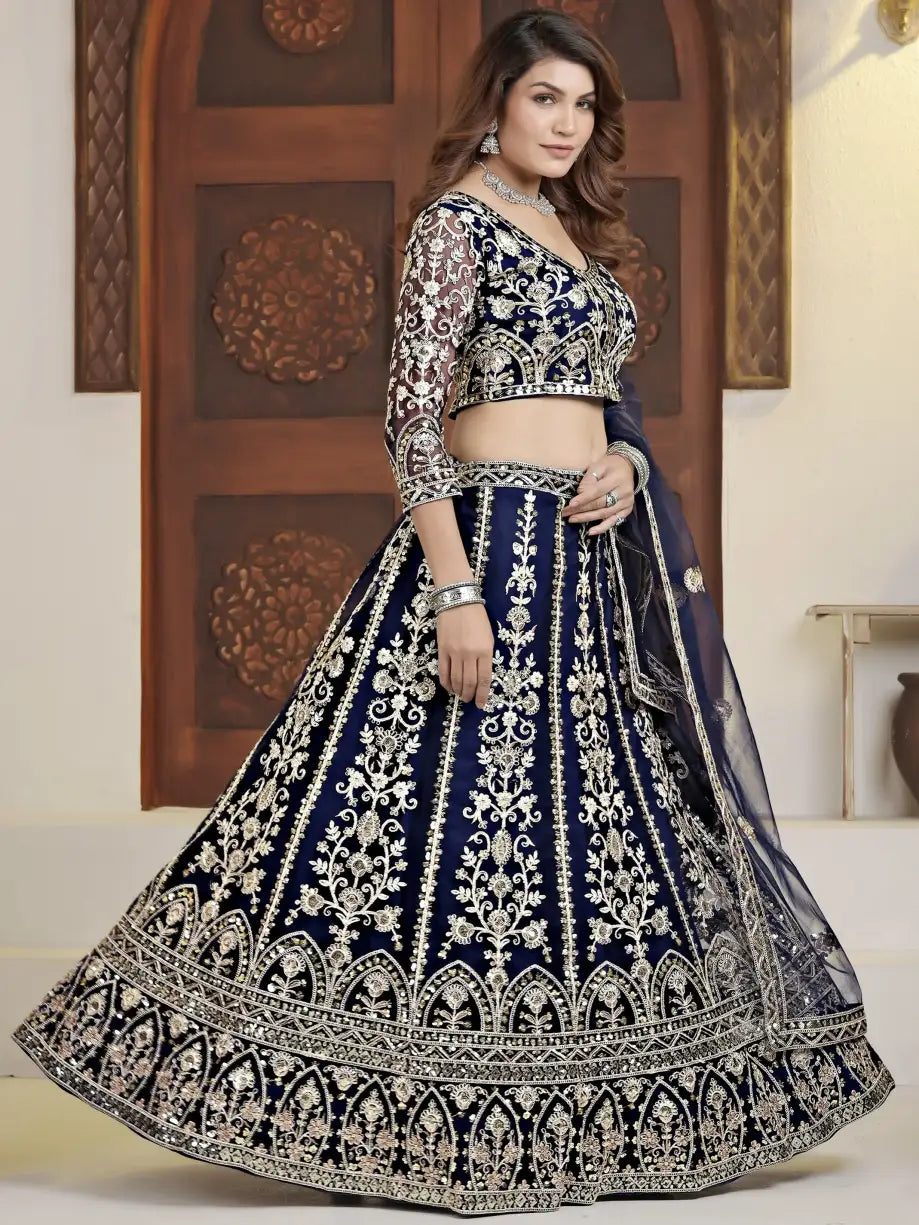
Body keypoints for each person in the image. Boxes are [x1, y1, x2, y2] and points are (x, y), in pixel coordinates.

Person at [12, 8, 893, 1215]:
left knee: (590, 831)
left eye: (582, 105)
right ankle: (396, 1112)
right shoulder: (454, 227)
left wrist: (628, 468)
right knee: (426, 830)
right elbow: (411, 422)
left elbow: (605, 403)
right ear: (495, 104)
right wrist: (455, 588)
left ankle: (587, 1104)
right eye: (544, 99)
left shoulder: (575, 236)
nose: (566, 122)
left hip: (584, 564)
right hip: (482, 544)